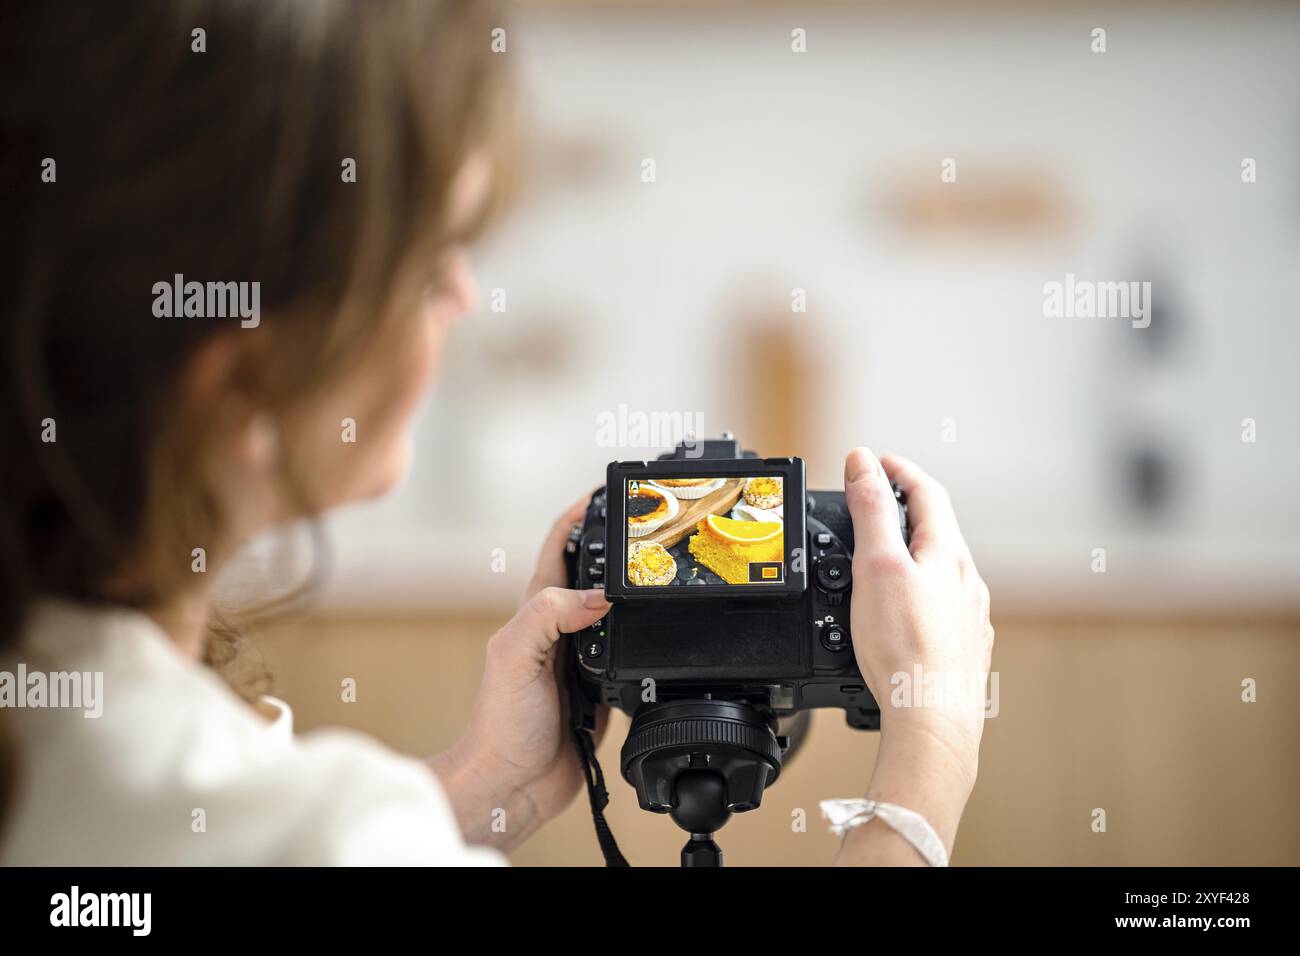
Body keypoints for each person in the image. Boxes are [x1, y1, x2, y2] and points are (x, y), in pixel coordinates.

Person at [0, 0, 992, 866]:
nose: (467, 298)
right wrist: (923, 770)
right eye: (434, 261)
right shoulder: (311, 835)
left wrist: (492, 779)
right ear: (249, 379)